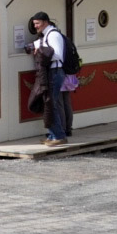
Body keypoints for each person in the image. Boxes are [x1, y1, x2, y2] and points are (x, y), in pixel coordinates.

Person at [29, 11, 73, 145]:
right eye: (34, 24)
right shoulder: (47, 35)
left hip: (55, 72)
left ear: (45, 22)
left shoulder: (53, 35)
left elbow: (58, 54)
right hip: (51, 72)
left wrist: (40, 51)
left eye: (37, 23)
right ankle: (53, 135)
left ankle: (59, 136)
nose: (35, 26)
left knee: (51, 104)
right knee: (49, 104)